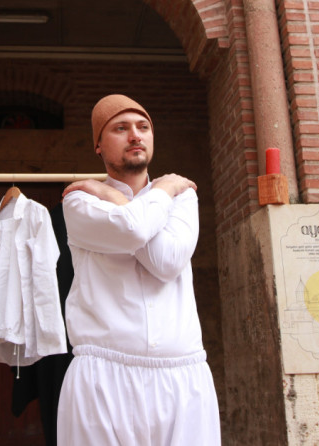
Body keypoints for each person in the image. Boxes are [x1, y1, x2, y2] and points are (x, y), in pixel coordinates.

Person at [56, 94, 221, 445]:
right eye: (120, 128)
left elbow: (167, 262)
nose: (135, 135)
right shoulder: (80, 200)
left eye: (143, 127)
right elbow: (133, 230)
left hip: (182, 377)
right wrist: (160, 189)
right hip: (102, 376)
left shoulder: (182, 197)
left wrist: (116, 198)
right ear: (98, 145)